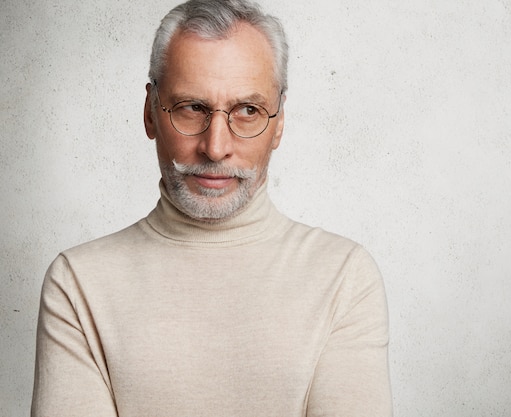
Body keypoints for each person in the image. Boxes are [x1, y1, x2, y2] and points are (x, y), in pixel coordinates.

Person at [31, 0, 392, 416]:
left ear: (279, 124)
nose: (216, 147)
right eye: (192, 108)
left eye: (248, 110)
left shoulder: (344, 276)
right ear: (150, 113)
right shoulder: (78, 284)